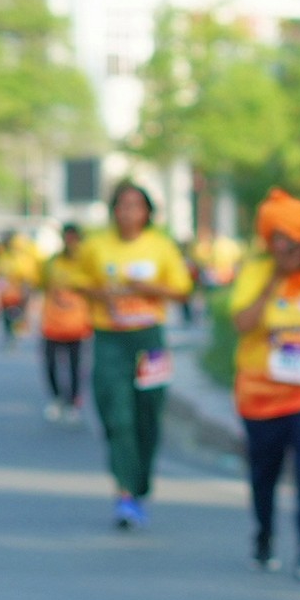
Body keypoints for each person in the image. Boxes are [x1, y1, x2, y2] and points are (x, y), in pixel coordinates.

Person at [228, 189, 300, 577]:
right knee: (265, 472)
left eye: (291, 241)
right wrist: (274, 281)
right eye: (277, 240)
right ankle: (263, 536)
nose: (284, 248)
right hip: (261, 394)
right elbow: (242, 323)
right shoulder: (256, 272)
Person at [81, 181, 196, 530]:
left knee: (148, 412)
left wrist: (149, 288)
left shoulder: (160, 246)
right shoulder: (96, 246)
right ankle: (125, 492)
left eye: (136, 206)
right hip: (110, 338)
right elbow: (72, 279)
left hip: (149, 340)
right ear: (113, 210)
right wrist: (101, 294)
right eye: (122, 205)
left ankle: (140, 482)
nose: (128, 212)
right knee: (117, 415)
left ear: (147, 212)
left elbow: (182, 290)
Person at [38, 221, 93, 422]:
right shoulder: (52, 262)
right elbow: (42, 285)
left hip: (77, 324)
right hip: (52, 322)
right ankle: (57, 398)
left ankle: (73, 402)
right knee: (50, 364)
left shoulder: (87, 263)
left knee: (75, 366)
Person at [0, 227, 41, 343]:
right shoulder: (4, 254)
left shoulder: (22, 253)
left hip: (19, 288)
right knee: (9, 316)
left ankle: (16, 334)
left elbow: (26, 273)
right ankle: (11, 335)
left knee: (18, 314)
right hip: (8, 291)